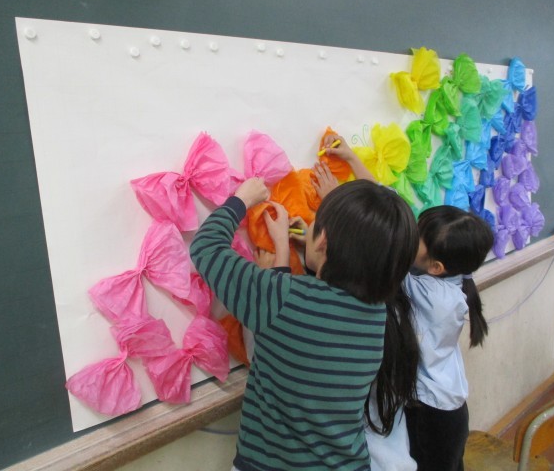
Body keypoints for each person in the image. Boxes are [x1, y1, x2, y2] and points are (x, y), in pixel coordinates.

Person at [190, 176, 418, 471]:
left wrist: (242, 199)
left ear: (323, 242)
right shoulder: (377, 314)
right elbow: (309, 317)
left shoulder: (281, 298)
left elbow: (206, 246)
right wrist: (287, 252)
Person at [304, 134, 420, 471]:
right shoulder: (391, 296)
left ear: (326, 244)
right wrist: (352, 162)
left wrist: (280, 260)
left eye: (317, 223)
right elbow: (391, 230)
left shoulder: (328, 322)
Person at [403, 205, 494, 471]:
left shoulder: (430, 295)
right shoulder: (453, 278)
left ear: (436, 267)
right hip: (448, 407)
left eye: (417, 235)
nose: (409, 235)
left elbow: (384, 260)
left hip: (429, 412)